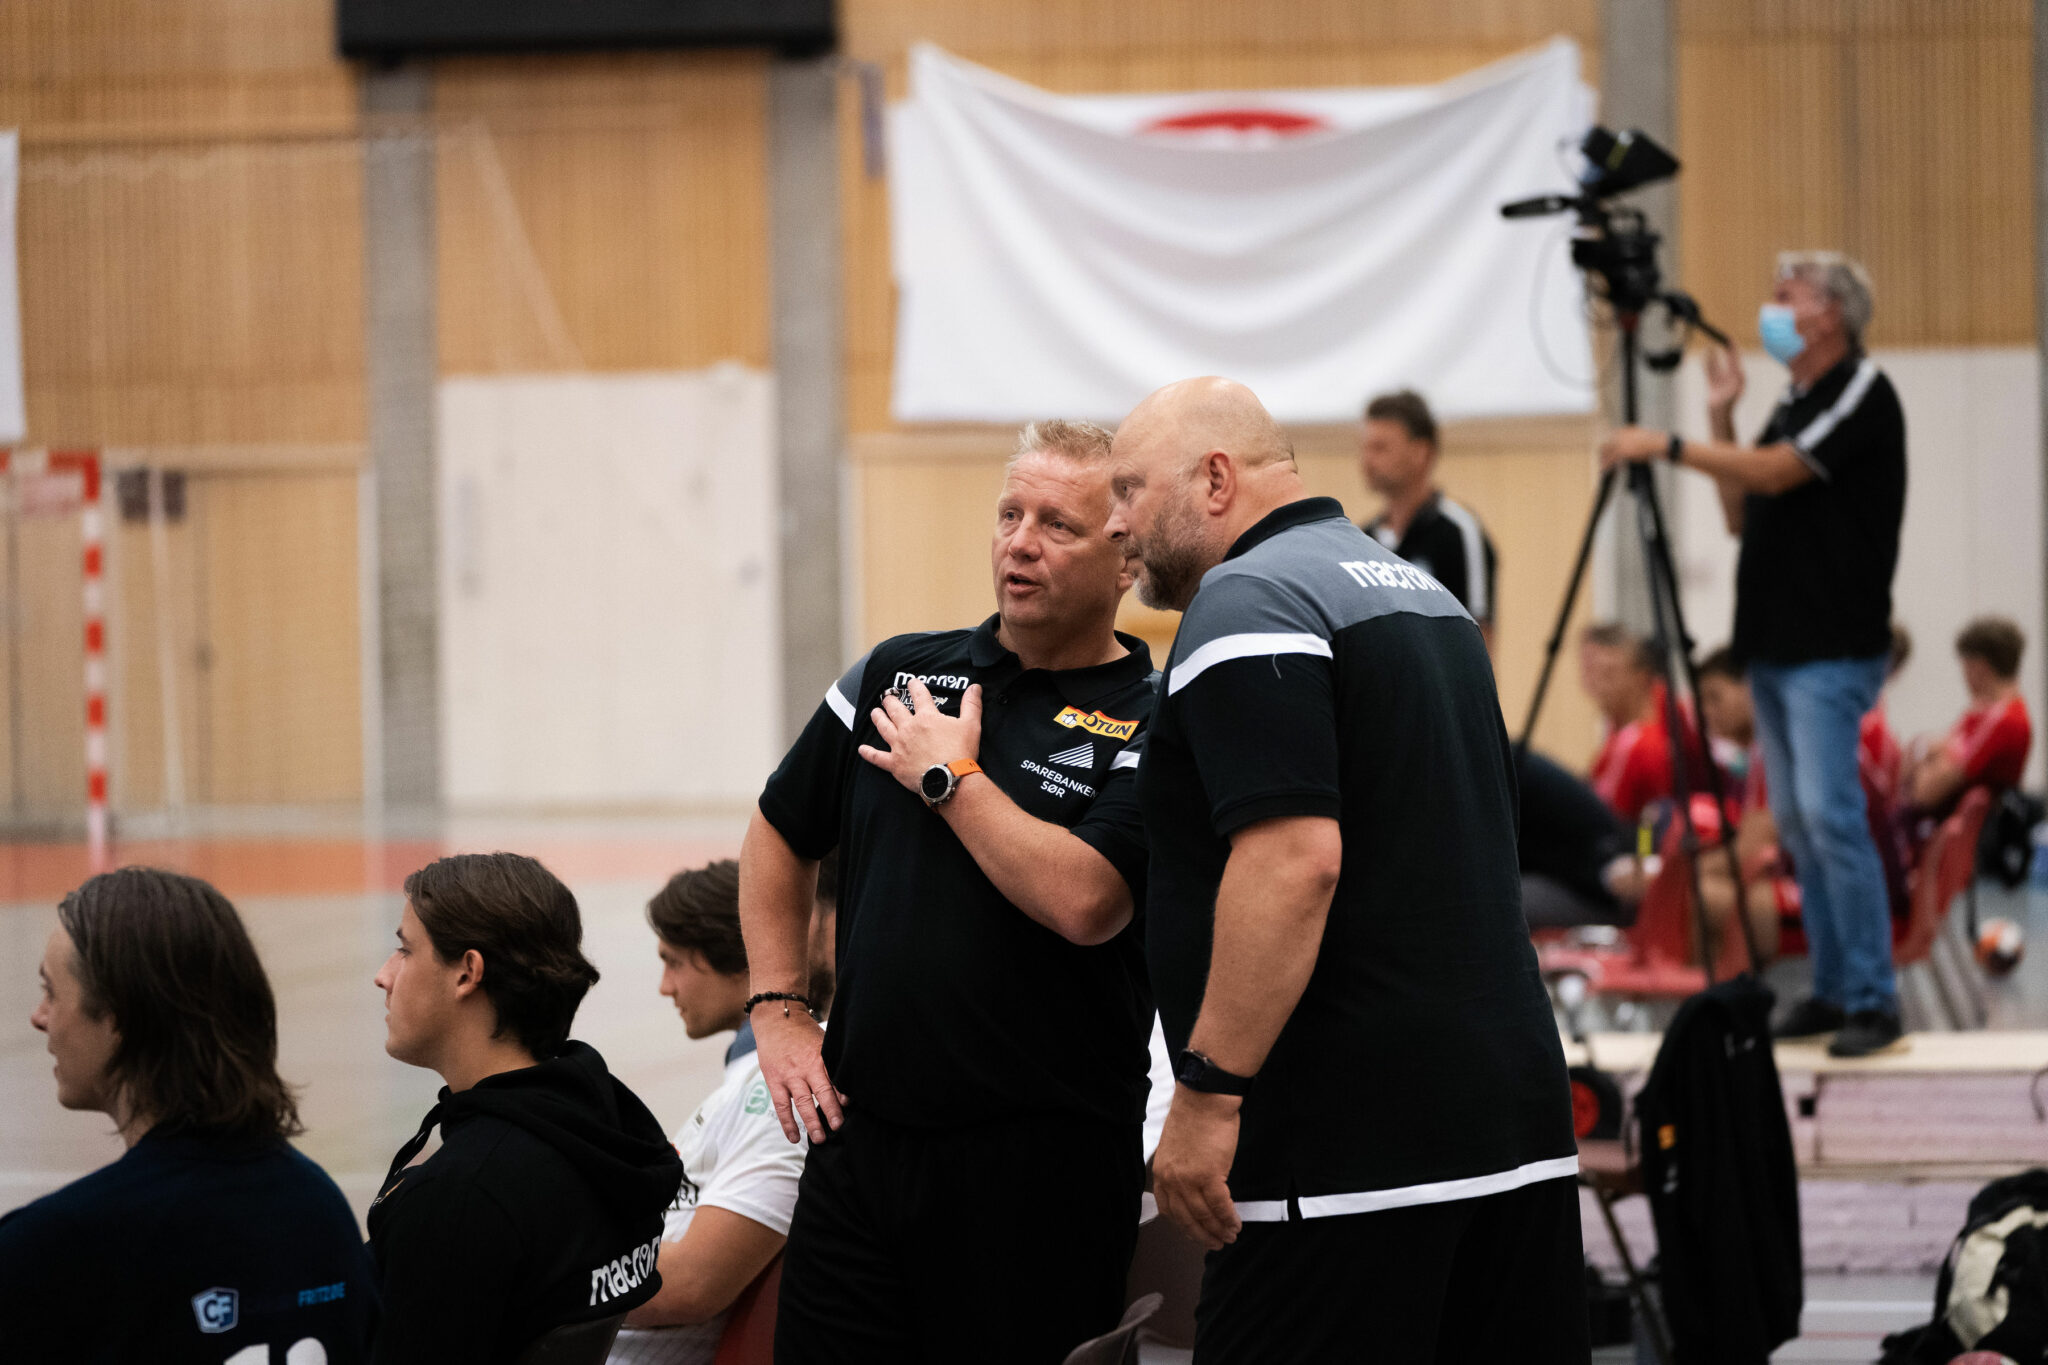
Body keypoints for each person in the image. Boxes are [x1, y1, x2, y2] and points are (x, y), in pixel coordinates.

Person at [1108, 377, 1584, 1363]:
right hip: (1510, 1130)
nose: (1118, 524)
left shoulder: (1250, 598)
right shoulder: (1424, 596)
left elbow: (1293, 863)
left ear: (1214, 479)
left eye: (1129, 490)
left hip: (1343, 1159)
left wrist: (1206, 1094)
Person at [740, 419, 1158, 1362]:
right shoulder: (899, 672)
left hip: (1040, 1171)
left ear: (1126, 558)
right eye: (1011, 514)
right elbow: (777, 830)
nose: (1020, 542)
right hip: (861, 1146)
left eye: (1057, 524)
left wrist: (948, 779)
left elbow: (1088, 901)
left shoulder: (1156, 717)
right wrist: (777, 1006)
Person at [1602, 250, 1908, 1058]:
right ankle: (1835, 989)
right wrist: (1721, 417)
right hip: (1775, 646)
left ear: (1830, 314)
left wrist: (1665, 444)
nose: (1772, 307)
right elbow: (1742, 512)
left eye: (1787, 295)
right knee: (1800, 823)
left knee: (1831, 816)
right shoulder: (1795, 402)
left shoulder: (1861, 390)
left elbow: (1774, 475)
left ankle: (1874, 997)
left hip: (1830, 646)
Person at [0, 868, 375, 1363]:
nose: (39, 1016)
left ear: (119, 1016)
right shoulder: (320, 1211)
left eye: (51, 991)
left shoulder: (53, 1249)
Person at [368, 852, 684, 1364]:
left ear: (467, 973)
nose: (383, 976)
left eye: (405, 950)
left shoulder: (462, 1198)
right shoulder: (607, 1128)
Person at [610, 860, 815, 1365]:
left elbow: (694, 1285)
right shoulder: (749, 1078)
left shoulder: (778, 1086)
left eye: (675, 962)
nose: (665, 986)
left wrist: (535, 1284)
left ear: (741, 957)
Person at [1358, 387, 1498, 641]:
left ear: (1420, 452)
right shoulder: (1363, 539)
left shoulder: (1459, 531)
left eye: (1380, 448)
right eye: (1365, 447)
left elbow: (1480, 634)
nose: (1367, 460)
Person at [1903, 616, 2032, 819]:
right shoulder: (1980, 713)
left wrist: (1931, 760)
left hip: (1974, 829)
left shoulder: (2003, 720)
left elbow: (1926, 793)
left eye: (1965, 667)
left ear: (1979, 667)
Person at [1581, 622, 1692, 824]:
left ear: (1641, 677)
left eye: (1609, 674)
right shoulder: (1621, 734)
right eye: (1589, 672)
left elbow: (1649, 823)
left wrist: (1641, 844)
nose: (1595, 685)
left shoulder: (1642, 744)